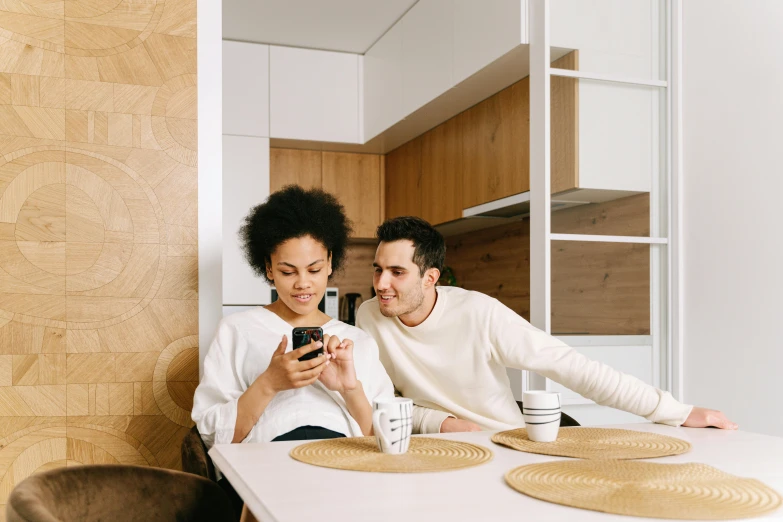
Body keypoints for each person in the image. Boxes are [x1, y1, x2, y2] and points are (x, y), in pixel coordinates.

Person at [356, 216, 738, 434]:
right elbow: (382, 403)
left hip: (502, 443)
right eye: (377, 269)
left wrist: (676, 411)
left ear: (430, 277)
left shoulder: (479, 314)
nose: (381, 284)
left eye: (396, 272)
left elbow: (571, 366)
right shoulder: (369, 316)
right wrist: (444, 424)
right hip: (430, 448)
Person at [192, 186, 394, 519]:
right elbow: (213, 436)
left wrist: (349, 388)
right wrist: (269, 383)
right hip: (268, 469)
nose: (303, 283)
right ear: (268, 269)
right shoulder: (238, 330)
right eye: (288, 271)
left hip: (345, 469)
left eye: (314, 270)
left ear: (330, 262)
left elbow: (382, 440)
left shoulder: (356, 341)